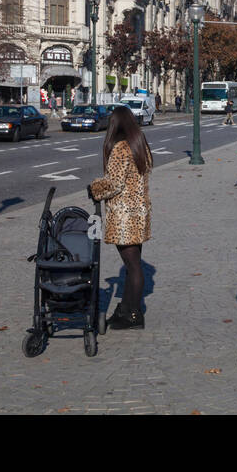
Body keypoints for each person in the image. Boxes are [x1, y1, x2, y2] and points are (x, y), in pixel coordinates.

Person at [89, 106, 153, 330]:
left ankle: (134, 315)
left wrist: (94, 189)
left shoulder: (120, 148)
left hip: (125, 216)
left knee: (133, 265)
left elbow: (114, 183)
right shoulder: (139, 144)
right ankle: (126, 310)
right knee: (132, 265)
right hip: (139, 212)